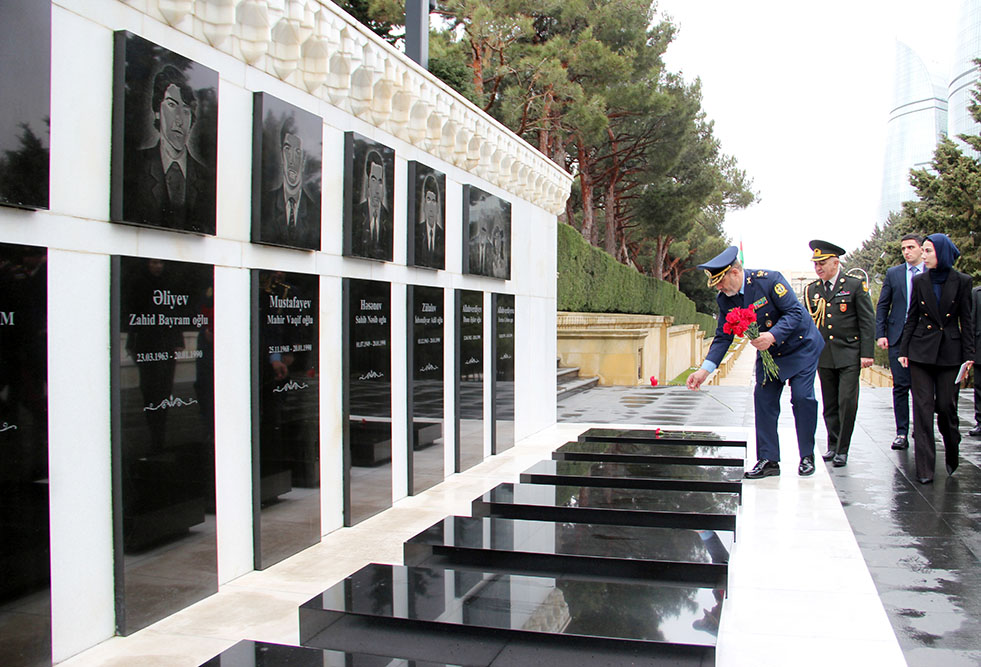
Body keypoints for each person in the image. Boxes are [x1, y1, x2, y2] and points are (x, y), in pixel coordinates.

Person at [687, 246, 825, 478]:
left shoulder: (769, 281)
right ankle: (768, 460)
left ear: (735, 272)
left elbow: (794, 313)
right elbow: (723, 336)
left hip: (800, 345)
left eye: (721, 281)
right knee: (764, 399)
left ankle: (807, 456)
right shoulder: (725, 299)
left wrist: (772, 335)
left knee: (802, 398)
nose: (719, 288)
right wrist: (704, 371)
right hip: (770, 353)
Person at [898, 233, 975, 484]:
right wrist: (904, 350)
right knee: (922, 409)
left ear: (941, 253)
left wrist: (969, 356)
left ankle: (952, 446)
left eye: (929, 251)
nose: (925, 255)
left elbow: (967, 320)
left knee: (945, 407)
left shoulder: (962, 281)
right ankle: (924, 469)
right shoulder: (920, 281)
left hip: (950, 354)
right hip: (921, 352)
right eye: (925, 250)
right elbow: (912, 317)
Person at [804, 240, 875, 467]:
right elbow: (808, 324)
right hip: (824, 355)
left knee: (847, 402)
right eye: (816, 264)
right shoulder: (812, 290)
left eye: (823, 263)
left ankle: (843, 449)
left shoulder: (854, 285)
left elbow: (867, 321)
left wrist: (867, 353)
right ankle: (832, 445)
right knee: (830, 404)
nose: (818, 268)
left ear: (836, 262)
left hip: (849, 353)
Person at [124, 65, 215, 234]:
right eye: (172, 105)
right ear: (157, 110)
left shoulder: (207, 178)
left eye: (186, 110)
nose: (179, 119)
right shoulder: (133, 168)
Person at [874, 234, 925, 450]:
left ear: (922, 249)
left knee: (922, 387)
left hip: (924, 338)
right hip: (898, 336)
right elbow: (883, 305)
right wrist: (881, 333)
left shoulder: (931, 273)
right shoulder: (894, 274)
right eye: (904, 248)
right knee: (901, 385)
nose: (906, 251)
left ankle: (922, 430)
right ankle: (901, 432)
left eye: (911, 247)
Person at [259, 119, 319, 249]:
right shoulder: (265, 204)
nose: (292, 160)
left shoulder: (315, 212)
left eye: (297, 152)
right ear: (282, 155)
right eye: (287, 150)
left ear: (303, 161)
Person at [351, 149, 392, 260]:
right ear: (367, 182)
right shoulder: (357, 213)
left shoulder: (388, 217)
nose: (377, 189)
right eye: (373, 180)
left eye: (380, 181)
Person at [413, 174, 444, 268]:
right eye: (428, 199)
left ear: (438, 206)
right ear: (424, 204)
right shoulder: (417, 231)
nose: (431, 206)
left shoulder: (442, 235)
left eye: (434, 201)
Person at [972, 285, 981, 438]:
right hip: (980, 346)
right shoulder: (976, 293)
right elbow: (970, 321)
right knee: (979, 386)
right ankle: (980, 421)